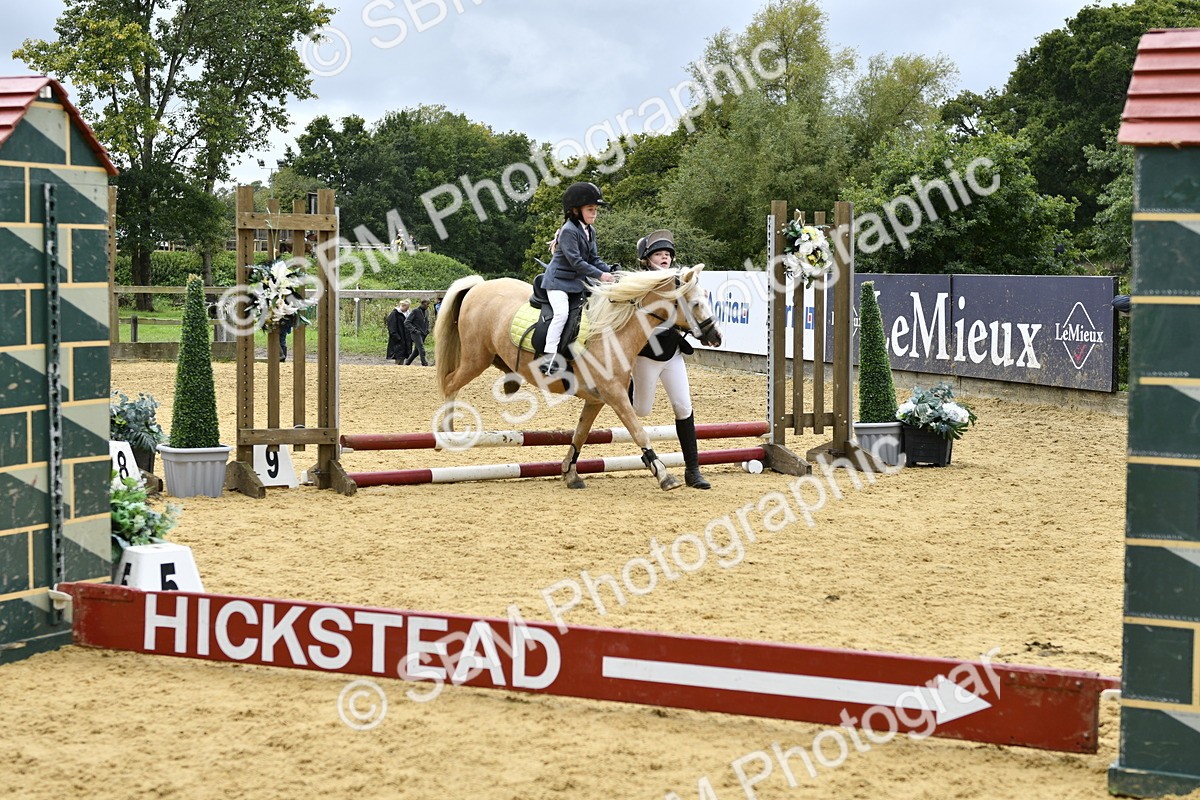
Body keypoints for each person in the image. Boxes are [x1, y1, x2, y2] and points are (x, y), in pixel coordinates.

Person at [630, 229, 711, 489]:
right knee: (641, 410)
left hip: (672, 353)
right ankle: (622, 386)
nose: (665, 258)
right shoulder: (641, 284)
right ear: (646, 259)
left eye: (668, 254)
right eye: (658, 254)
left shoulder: (679, 282)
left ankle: (693, 470)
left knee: (684, 406)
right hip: (646, 357)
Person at [538, 181, 617, 376]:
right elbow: (577, 262)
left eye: (596, 209)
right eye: (590, 209)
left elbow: (593, 259)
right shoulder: (568, 231)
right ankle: (548, 358)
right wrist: (601, 275)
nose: (594, 214)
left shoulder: (590, 230)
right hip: (558, 282)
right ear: (575, 210)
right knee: (562, 314)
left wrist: (612, 272)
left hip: (576, 283)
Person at [405, 299, 431, 366]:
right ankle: (424, 363)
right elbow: (407, 322)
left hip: (423, 333)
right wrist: (414, 330)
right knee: (421, 348)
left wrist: (428, 329)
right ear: (422, 304)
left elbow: (427, 321)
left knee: (416, 351)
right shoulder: (415, 311)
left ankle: (407, 363)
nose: (428, 306)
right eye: (427, 304)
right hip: (416, 333)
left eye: (428, 304)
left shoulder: (427, 311)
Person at [386, 300, 411, 364]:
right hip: (398, 340)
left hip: (405, 339)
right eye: (407, 307)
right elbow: (392, 327)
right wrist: (397, 338)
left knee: (402, 357)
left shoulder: (407, 315)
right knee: (398, 357)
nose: (408, 309)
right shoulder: (394, 314)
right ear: (403, 306)